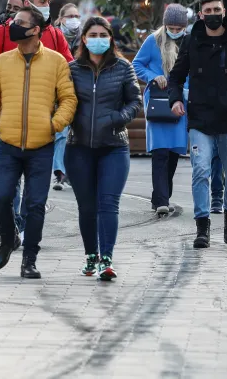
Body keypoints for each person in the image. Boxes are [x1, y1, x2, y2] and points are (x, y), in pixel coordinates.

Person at [0, 0, 73, 237]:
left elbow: (71, 73)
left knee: (36, 178)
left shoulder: (55, 35)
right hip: (4, 116)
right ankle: (12, 222)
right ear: (27, 3)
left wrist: (61, 118)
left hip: (41, 119)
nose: (47, 3)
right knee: (3, 169)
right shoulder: (2, 32)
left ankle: (25, 223)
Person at [0, 7, 77, 279]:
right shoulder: (2, 62)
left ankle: (29, 259)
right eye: (14, 21)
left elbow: (68, 99)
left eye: (20, 22)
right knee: (1, 196)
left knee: (36, 205)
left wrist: (54, 125)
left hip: (41, 147)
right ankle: (7, 239)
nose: (13, 25)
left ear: (36, 30)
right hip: (8, 145)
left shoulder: (57, 62)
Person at [168, 0, 227, 249]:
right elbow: (175, 77)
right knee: (200, 170)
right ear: (200, 14)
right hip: (200, 118)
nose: (212, 14)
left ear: (224, 10)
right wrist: (176, 100)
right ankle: (202, 226)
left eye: (216, 9)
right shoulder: (190, 42)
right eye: (207, 10)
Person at [66, 16, 142, 281]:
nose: (98, 39)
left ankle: (106, 259)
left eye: (103, 35)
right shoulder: (72, 69)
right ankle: (90, 255)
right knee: (87, 207)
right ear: (84, 39)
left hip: (114, 146)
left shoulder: (123, 67)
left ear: (110, 38)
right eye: (93, 35)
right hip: (79, 148)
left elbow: (135, 102)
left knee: (108, 204)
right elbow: (62, 101)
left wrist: (116, 119)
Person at [132, 4, 190, 216]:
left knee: (173, 151)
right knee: (160, 152)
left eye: (178, 28)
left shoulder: (189, 41)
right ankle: (162, 200)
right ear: (164, 24)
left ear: (185, 26)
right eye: (171, 27)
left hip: (180, 100)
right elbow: (137, 64)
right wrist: (152, 76)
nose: (174, 31)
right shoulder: (153, 40)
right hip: (157, 100)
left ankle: (160, 197)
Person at [51, 3, 81, 191]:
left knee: (75, 133)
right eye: (70, 16)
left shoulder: (84, 39)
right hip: (55, 91)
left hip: (78, 91)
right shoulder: (53, 36)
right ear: (61, 19)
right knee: (61, 132)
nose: (74, 19)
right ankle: (59, 172)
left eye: (76, 15)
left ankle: (69, 171)